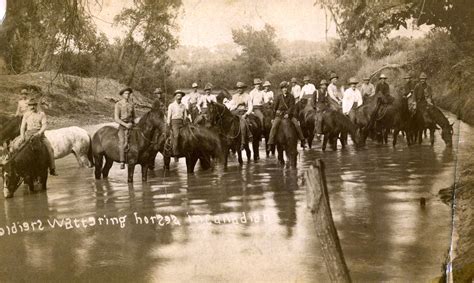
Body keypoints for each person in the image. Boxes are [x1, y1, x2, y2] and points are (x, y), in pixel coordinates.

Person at [20, 99, 57, 176]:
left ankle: (52, 168)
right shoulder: (26, 114)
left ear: (36, 105)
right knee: (17, 147)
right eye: (30, 105)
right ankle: (19, 169)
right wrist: (22, 136)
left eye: (34, 105)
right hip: (28, 134)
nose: (32, 107)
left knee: (50, 149)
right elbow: (23, 127)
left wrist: (39, 133)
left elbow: (44, 125)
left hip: (40, 135)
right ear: (28, 106)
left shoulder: (41, 114)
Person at [267, 81, 306, 148]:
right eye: (283, 88)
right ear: (281, 89)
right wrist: (273, 118)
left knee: (296, 124)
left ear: (287, 88)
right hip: (280, 115)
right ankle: (270, 143)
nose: (285, 89)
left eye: (286, 88)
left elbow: (292, 106)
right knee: (274, 126)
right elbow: (274, 108)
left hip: (289, 114)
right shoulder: (278, 97)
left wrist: (288, 113)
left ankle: (302, 140)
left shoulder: (291, 96)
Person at [114, 87, 136, 169]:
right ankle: (122, 161)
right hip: (122, 126)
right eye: (126, 94)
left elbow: (134, 116)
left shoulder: (131, 104)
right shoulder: (118, 104)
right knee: (122, 142)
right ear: (122, 95)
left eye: (129, 94)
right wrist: (125, 125)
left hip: (131, 125)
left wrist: (133, 122)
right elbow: (116, 118)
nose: (128, 95)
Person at [228, 81, 251, 150]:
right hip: (235, 112)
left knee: (243, 123)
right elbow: (230, 105)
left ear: (243, 89)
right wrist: (234, 105)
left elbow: (250, 107)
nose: (239, 89)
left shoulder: (247, 96)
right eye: (238, 88)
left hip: (243, 112)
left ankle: (243, 142)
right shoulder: (234, 96)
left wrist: (246, 114)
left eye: (241, 88)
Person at [167, 90, 187, 161]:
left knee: (188, 135)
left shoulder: (183, 106)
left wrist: (185, 122)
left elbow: (185, 116)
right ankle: (175, 154)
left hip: (182, 122)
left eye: (180, 96)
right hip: (174, 122)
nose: (179, 98)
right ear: (175, 97)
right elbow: (169, 116)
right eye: (178, 96)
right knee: (176, 136)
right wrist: (169, 123)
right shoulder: (171, 105)